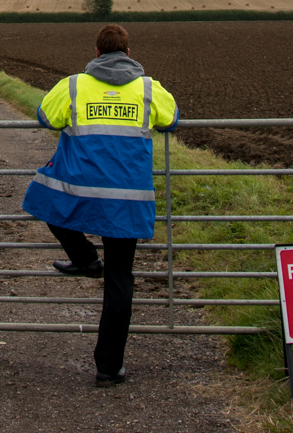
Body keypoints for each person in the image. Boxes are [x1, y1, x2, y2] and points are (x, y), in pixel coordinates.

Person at [21, 23, 179, 387]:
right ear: (128, 53)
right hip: (127, 200)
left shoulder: (74, 85)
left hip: (80, 194)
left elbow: (46, 117)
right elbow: (171, 121)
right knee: (120, 276)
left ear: (96, 53)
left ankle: (84, 257)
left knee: (44, 197)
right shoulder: (149, 89)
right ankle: (108, 368)